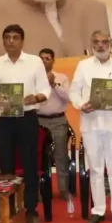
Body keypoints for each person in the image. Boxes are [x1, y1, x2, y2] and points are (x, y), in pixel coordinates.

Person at [0, 24, 51, 223]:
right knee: (6, 166)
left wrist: (36, 97)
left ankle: (31, 211)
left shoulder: (34, 62)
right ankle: (8, 212)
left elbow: (45, 89)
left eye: (15, 38)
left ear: (22, 41)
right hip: (4, 119)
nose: (11, 41)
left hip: (27, 117)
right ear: (3, 41)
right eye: (7, 37)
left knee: (30, 165)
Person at [70, 31, 112, 223]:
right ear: (91, 44)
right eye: (96, 42)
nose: (100, 46)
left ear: (110, 44)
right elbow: (74, 91)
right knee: (96, 168)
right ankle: (98, 210)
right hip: (91, 123)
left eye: (104, 42)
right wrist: (82, 105)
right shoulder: (83, 66)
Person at [37, 48, 73, 208]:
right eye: (42, 58)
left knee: (61, 156)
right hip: (38, 121)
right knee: (37, 157)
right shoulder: (33, 78)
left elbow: (69, 97)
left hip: (58, 121)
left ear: (53, 60)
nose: (45, 61)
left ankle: (64, 189)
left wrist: (54, 85)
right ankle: (39, 190)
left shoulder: (62, 77)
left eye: (47, 58)